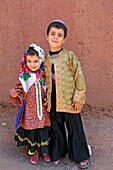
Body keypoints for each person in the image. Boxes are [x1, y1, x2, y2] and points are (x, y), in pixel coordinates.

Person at [45, 20, 90, 169]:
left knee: (75, 127)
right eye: (53, 34)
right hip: (53, 100)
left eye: (59, 35)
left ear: (64, 39)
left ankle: (80, 155)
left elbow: (79, 76)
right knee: (56, 128)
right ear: (47, 36)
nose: (55, 37)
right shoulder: (43, 58)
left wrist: (79, 97)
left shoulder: (69, 56)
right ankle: (58, 152)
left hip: (70, 100)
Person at [9, 43, 51, 165]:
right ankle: (34, 152)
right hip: (30, 110)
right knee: (32, 130)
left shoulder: (44, 76)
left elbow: (50, 89)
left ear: (41, 60)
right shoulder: (24, 77)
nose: (32, 64)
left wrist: (48, 99)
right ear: (25, 61)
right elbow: (19, 89)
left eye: (35, 61)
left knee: (43, 128)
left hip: (43, 110)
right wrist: (14, 94)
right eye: (29, 61)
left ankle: (44, 150)